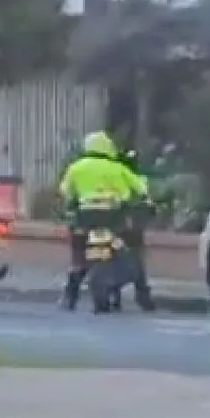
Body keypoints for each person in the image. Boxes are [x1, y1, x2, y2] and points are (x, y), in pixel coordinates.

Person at [58, 131, 149, 311]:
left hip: (86, 218)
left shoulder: (76, 168)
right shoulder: (118, 168)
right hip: (113, 218)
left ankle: (70, 295)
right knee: (132, 250)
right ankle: (142, 294)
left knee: (78, 256)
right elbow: (141, 189)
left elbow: (65, 192)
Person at [110, 148, 155, 312]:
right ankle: (142, 296)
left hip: (116, 225)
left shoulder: (112, 175)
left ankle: (116, 294)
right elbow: (147, 201)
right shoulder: (138, 179)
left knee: (115, 256)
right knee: (135, 259)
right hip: (130, 226)